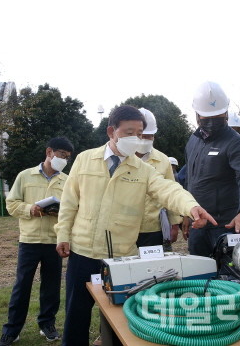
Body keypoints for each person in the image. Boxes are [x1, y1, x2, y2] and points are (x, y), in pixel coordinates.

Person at [54, 105, 217, 346]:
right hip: (83, 252)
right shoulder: (85, 160)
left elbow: (168, 190)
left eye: (140, 133)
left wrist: (191, 207)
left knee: (120, 318)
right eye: (130, 132)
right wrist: (62, 235)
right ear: (112, 131)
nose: (136, 139)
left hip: (122, 257)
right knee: (76, 315)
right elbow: (69, 202)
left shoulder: (143, 169)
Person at [0, 137, 74, 346]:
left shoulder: (67, 181)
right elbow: (12, 204)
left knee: (51, 286)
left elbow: (72, 210)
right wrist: (30, 209)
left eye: (67, 157)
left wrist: (59, 213)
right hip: (29, 240)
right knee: (22, 285)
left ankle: (47, 324)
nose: (64, 160)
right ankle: (12, 329)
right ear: (49, 152)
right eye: (61, 155)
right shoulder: (25, 176)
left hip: (54, 240)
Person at [182, 81, 240, 257]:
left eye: (216, 117)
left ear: (225, 112)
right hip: (198, 224)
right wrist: (185, 213)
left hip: (226, 226)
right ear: (197, 115)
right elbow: (189, 181)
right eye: (206, 118)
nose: (211, 122)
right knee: (200, 276)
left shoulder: (235, 142)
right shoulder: (193, 141)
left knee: (228, 278)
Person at [135, 108, 181, 249]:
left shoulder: (163, 160)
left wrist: (174, 224)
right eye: (142, 136)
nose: (145, 140)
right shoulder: (120, 158)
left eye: (149, 136)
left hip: (153, 228)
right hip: (125, 228)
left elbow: (170, 193)